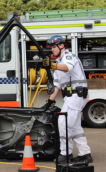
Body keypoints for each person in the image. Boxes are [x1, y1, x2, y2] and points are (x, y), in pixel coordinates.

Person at [42, 35, 92, 164]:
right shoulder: (58, 62)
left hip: (76, 95)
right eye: (51, 48)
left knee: (63, 123)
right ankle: (85, 153)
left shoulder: (68, 57)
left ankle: (66, 154)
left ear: (62, 45)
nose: (52, 50)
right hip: (72, 96)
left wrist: (52, 65)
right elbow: (57, 86)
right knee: (75, 127)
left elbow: (67, 68)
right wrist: (49, 101)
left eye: (54, 47)